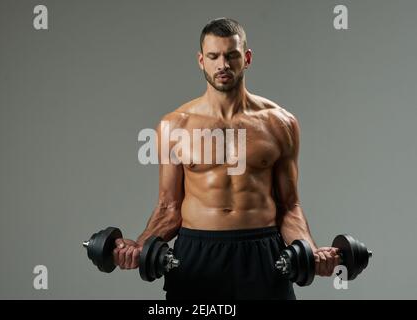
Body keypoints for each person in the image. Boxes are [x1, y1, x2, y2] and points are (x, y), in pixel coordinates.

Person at [113, 17, 340, 300]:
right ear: (201, 61)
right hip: (196, 255)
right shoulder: (175, 126)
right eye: (213, 56)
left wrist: (311, 252)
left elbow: (289, 206)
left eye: (231, 55)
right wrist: (140, 247)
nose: (223, 65)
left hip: (263, 254)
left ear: (246, 58)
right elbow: (169, 207)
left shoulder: (280, 123)